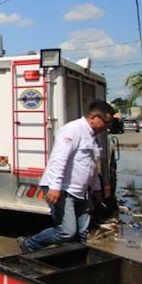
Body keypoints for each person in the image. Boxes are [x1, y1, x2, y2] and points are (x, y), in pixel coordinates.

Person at [17, 100, 116, 253]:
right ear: (94, 117)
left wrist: (97, 189)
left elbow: (91, 165)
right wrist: (55, 187)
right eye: (106, 122)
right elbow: (59, 160)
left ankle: (76, 263)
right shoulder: (73, 130)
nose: (107, 127)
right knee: (66, 231)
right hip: (64, 190)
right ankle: (30, 244)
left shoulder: (93, 137)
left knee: (82, 233)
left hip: (82, 192)